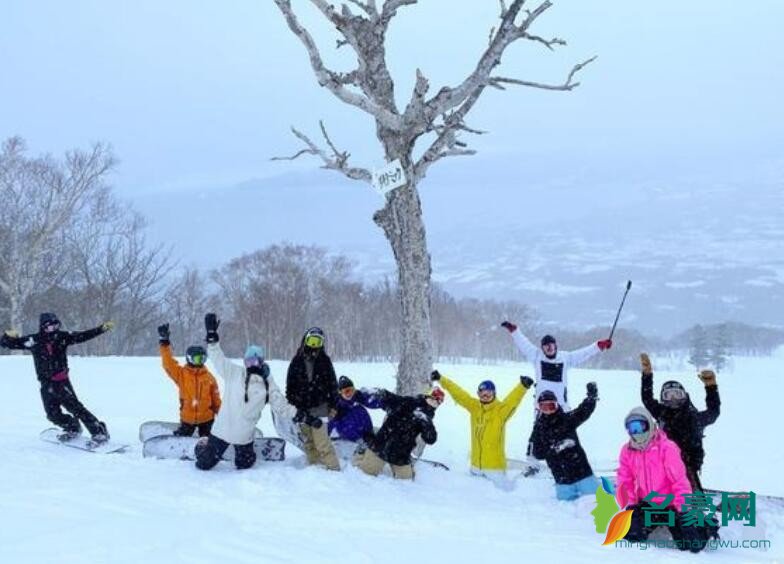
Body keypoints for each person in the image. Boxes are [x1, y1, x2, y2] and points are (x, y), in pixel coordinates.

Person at [501, 320, 612, 471]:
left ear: (556, 346)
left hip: (561, 408)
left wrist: (598, 346)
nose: (549, 348)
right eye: (546, 346)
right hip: (541, 408)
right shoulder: (536, 356)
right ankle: (532, 463)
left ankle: (571, 460)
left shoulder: (565, 358)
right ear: (542, 348)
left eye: (551, 345)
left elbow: (584, 353)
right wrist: (514, 331)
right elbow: (523, 344)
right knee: (537, 436)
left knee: (568, 435)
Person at [616, 406, 717, 553]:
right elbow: (625, 480)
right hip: (648, 503)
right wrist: (631, 505)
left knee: (692, 544)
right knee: (631, 536)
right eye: (632, 428)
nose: (636, 433)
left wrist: (684, 511)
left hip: (672, 504)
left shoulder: (667, 448)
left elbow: (679, 481)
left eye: (640, 426)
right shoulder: (628, 450)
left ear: (649, 425)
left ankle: (706, 524)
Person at [1, 313, 113, 442]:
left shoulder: (62, 337)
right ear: (43, 327)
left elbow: (83, 335)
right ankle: (72, 427)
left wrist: (102, 328)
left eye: (56, 325)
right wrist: (7, 336)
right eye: (50, 326)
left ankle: (99, 432)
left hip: (61, 381)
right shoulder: (34, 340)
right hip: (45, 383)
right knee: (52, 414)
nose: (54, 328)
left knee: (76, 409)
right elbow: (8, 344)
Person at [195, 313, 287, 471]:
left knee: (243, 465)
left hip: (244, 436)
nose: (252, 364)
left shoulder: (267, 383)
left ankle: (244, 451)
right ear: (245, 362)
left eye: (255, 361)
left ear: (261, 362)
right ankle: (204, 444)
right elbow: (218, 359)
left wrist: (299, 415)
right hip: (221, 432)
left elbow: (281, 404)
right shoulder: (234, 373)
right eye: (249, 361)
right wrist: (212, 340)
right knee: (203, 464)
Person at [431, 369, 533, 488]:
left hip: (494, 470)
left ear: (494, 393)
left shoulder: (501, 411)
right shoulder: (474, 407)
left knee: (499, 500)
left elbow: (512, 401)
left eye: (488, 393)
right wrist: (441, 379)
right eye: (482, 393)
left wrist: (522, 386)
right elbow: (459, 394)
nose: (485, 396)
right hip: (475, 468)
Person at [638, 353, 720, 491]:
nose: (673, 399)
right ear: (663, 399)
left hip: (688, 466)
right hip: (662, 464)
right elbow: (647, 399)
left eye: (677, 394)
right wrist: (647, 375)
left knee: (686, 495)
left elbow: (713, 412)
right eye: (668, 395)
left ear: (684, 396)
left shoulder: (694, 418)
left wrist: (711, 387)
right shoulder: (662, 413)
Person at [352, 387, 443, 480]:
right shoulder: (408, 402)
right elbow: (389, 399)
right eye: (433, 398)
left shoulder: (426, 418)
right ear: (426, 396)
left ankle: (409, 466)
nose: (434, 402)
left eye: (438, 402)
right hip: (381, 446)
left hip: (401, 455)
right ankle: (363, 451)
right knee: (365, 474)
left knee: (406, 481)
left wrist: (426, 423)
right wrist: (381, 394)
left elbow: (431, 439)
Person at [530, 384, 599, 501]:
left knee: (598, 501)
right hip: (562, 480)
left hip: (582, 473)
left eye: (551, 406)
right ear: (539, 408)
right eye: (544, 407)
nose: (548, 411)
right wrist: (553, 449)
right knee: (567, 511)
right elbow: (537, 453)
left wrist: (591, 397)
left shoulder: (567, 420)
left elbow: (584, 411)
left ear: (557, 405)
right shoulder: (539, 429)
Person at [286, 327, 341, 470]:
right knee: (309, 443)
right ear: (305, 340)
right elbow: (290, 387)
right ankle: (315, 469)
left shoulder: (325, 361)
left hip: (321, 407)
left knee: (322, 442)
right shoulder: (296, 362)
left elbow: (333, 385)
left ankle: (333, 468)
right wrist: (293, 408)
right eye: (312, 341)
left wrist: (334, 405)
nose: (314, 346)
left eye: (318, 342)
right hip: (302, 409)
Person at [157, 323, 221, 437]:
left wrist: (223, 416)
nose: (199, 362)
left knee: (209, 440)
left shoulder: (209, 378)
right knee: (182, 437)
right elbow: (168, 363)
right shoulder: (182, 374)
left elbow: (216, 401)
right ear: (189, 359)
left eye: (202, 359)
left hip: (206, 419)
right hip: (187, 418)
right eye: (197, 359)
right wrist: (164, 343)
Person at [328, 376, 374, 443]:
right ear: (340, 392)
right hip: (349, 442)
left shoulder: (358, 401)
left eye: (351, 390)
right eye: (346, 391)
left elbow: (372, 400)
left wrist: (368, 434)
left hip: (365, 438)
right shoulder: (337, 408)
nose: (349, 394)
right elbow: (328, 425)